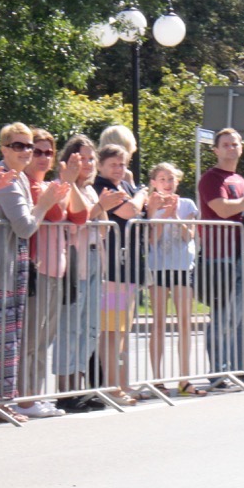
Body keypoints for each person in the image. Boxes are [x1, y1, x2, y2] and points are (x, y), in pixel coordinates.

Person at [0, 123, 69, 423]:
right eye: (19, 146)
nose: (26, 152)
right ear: (4, 149)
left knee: (6, 340)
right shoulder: (8, 178)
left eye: (29, 146)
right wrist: (45, 203)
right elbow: (25, 226)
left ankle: (0, 402)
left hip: (6, 267)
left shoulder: (18, 176)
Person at [18, 129, 85, 414]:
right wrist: (66, 183)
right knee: (32, 337)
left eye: (48, 152)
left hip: (57, 269)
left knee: (45, 338)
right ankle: (25, 398)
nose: (43, 157)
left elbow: (79, 216)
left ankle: (35, 394)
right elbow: (57, 214)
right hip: (38, 268)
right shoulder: (31, 184)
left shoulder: (51, 185)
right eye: (38, 151)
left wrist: (70, 184)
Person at [197, 127, 244, 382]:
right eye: (225, 144)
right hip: (219, 257)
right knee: (223, 316)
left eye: (235, 144)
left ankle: (241, 370)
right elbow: (224, 209)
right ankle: (218, 371)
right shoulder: (211, 178)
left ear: (242, 148)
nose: (231, 148)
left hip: (242, 255)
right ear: (215, 150)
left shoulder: (239, 179)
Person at [54, 135, 118, 410]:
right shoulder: (65, 187)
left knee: (89, 327)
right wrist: (100, 208)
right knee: (71, 326)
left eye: (92, 159)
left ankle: (79, 386)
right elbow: (75, 221)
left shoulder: (90, 190)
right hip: (74, 260)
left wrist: (101, 209)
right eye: (83, 159)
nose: (89, 164)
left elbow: (102, 228)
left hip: (94, 259)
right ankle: (65, 389)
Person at [92, 143, 149, 404]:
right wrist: (142, 194)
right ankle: (111, 387)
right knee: (112, 330)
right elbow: (130, 211)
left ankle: (123, 383)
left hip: (129, 266)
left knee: (123, 329)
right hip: (113, 268)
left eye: (122, 164)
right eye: (113, 164)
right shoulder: (103, 187)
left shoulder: (125, 186)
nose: (118, 169)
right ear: (101, 165)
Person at [145, 162, 206, 396]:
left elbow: (188, 235)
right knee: (158, 322)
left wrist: (175, 215)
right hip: (159, 267)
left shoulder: (187, 204)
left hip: (181, 266)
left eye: (170, 179)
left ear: (177, 181)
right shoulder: (150, 203)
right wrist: (162, 216)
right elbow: (152, 239)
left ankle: (184, 378)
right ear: (154, 183)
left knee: (184, 322)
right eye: (162, 179)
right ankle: (157, 379)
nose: (167, 183)